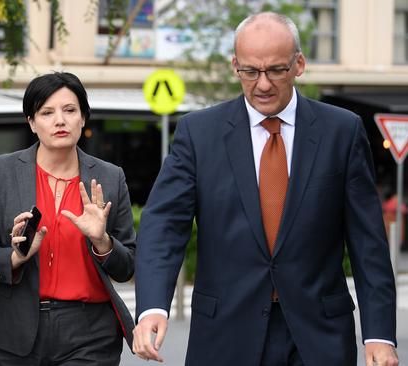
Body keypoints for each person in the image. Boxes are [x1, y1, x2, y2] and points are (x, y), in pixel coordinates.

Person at [132, 12, 398, 366]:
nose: (263, 84)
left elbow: (368, 242)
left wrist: (379, 334)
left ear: (299, 64)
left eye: (276, 70)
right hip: (225, 334)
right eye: (250, 71)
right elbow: (164, 225)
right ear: (235, 67)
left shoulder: (342, 132)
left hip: (319, 336)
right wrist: (152, 306)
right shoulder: (199, 133)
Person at [0, 72, 136, 365]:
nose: (60, 120)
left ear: (83, 118)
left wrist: (102, 241)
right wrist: (15, 258)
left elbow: (128, 267)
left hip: (89, 334)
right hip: (10, 327)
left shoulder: (110, 177)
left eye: (70, 110)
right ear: (32, 123)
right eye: (47, 112)